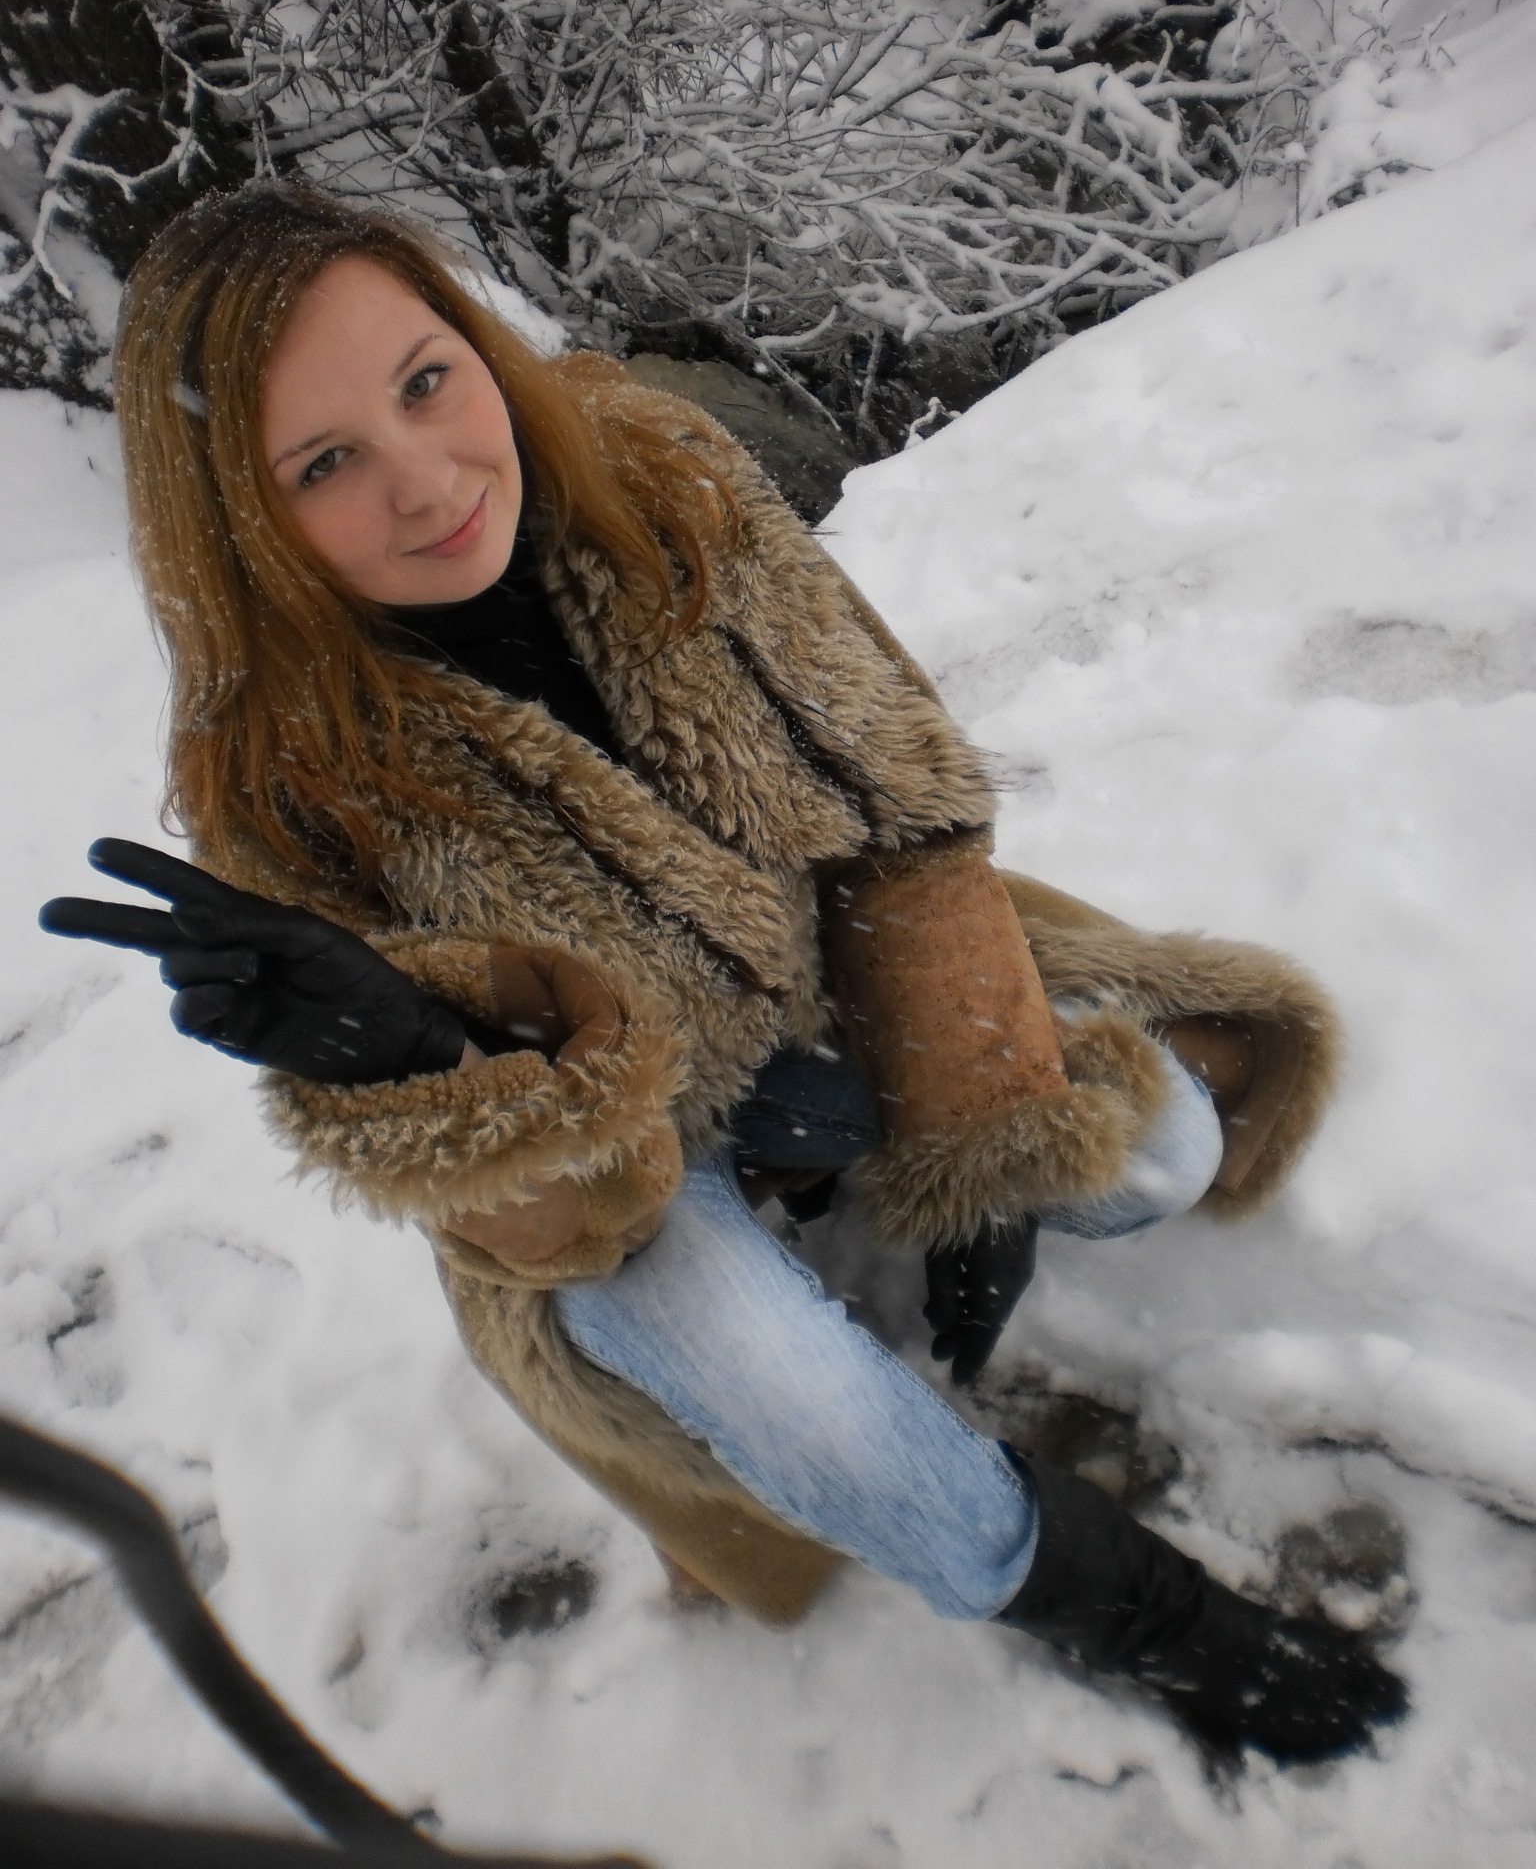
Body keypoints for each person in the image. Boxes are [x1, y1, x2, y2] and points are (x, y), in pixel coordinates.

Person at [41, 183, 1404, 1761]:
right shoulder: (281, 777)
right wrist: (415, 1064)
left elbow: (900, 817)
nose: (427, 481)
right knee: (805, 1407)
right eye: (323, 465)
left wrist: (987, 1139)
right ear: (242, 518)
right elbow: (558, 1223)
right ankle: (1143, 1617)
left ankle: (861, 1166)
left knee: (1157, 1156)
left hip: (834, 988)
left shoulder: (660, 473)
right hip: (618, 1166)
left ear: (475, 339)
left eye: (425, 381)